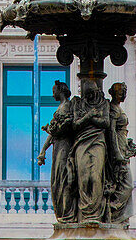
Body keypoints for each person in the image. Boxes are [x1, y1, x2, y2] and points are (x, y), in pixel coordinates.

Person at [67, 83, 111, 222]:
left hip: (98, 141)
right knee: (83, 177)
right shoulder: (78, 104)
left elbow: (106, 123)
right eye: (89, 93)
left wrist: (89, 118)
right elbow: (75, 124)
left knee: (96, 177)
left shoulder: (103, 104)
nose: (91, 95)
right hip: (81, 142)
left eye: (93, 92)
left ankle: (95, 212)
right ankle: (84, 211)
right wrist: (90, 116)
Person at [37, 80, 76, 223]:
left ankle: (67, 213)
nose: (52, 93)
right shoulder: (61, 107)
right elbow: (53, 133)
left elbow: (61, 130)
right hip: (58, 147)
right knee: (57, 180)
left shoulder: (68, 107)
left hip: (65, 147)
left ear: (61, 91)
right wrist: (43, 151)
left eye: (54, 90)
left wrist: (52, 131)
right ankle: (62, 212)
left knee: (63, 178)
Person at [105, 82, 135, 224]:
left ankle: (116, 213)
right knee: (127, 183)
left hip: (122, 147)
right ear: (113, 93)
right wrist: (116, 152)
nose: (123, 94)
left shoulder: (117, 109)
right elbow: (111, 132)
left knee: (124, 182)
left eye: (124, 92)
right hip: (117, 150)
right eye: (120, 92)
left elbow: (119, 131)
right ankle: (112, 208)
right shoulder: (113, 110)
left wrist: (128, 143)